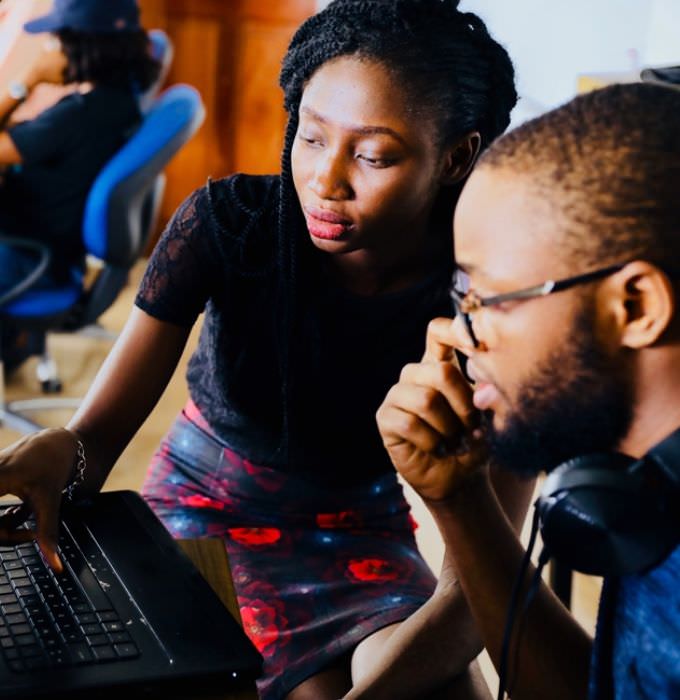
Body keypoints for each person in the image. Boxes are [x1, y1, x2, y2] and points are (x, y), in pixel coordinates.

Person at [0, 1, 533, 698]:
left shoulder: (488, 299)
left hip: (359, 530)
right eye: (309, 139)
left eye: (372, 155)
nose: (325, 180)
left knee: (445, 687)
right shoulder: (229, 224)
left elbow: (471, 603)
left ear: (456, 155)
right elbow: (95, 439)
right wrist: (61, 453)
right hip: (206, 503)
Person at [376, 81, 680, 700]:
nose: (455, 333)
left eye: (490, 299)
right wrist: (458, 501)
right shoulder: (642, 486)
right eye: (462, 296)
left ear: (635, 305)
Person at [0, 0, 160, 369]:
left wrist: (24, 81)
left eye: (56, 39)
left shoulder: (75, 118)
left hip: (26, 256)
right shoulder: (121, 101)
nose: (48, 47)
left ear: (81, 46)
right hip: (54, 250)